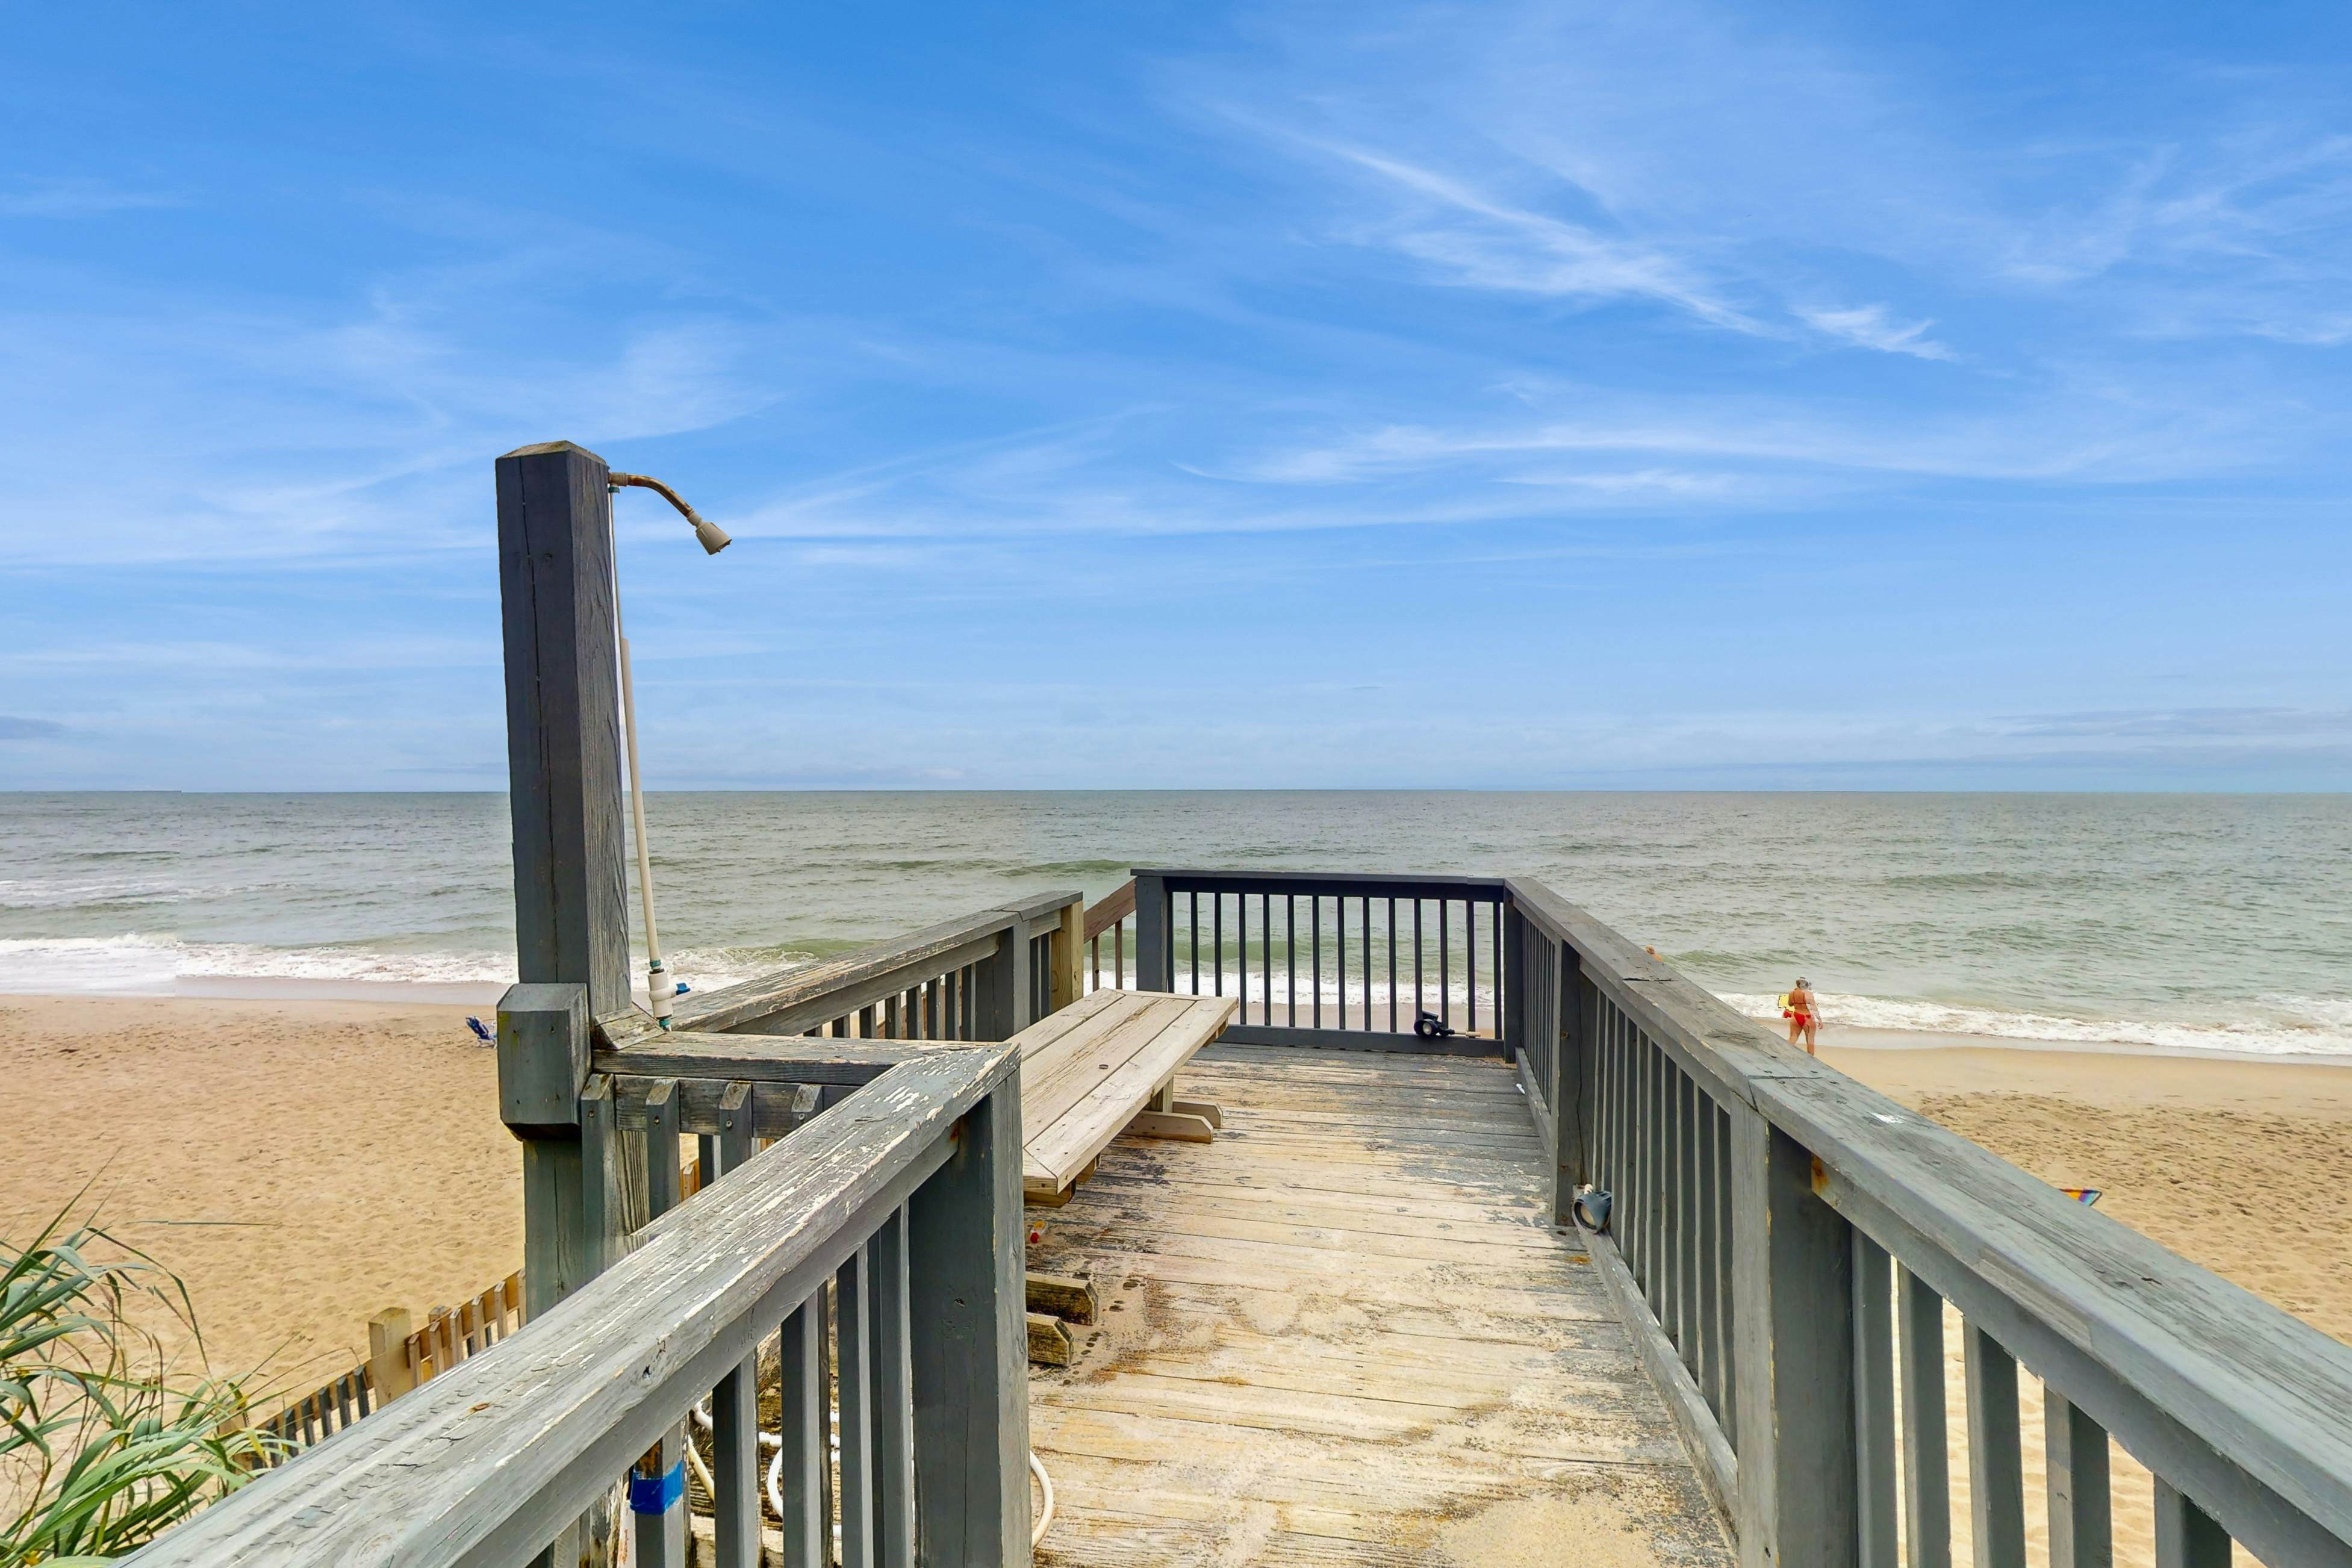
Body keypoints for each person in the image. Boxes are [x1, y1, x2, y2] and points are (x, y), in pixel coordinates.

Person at [1785, 977, 1820, 1054]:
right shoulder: (1808, 994)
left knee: (1792, 1038)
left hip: (1796, 1016)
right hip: (1807, 1018)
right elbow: (1814, 1008)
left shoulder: (1792, 993)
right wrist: (1820, 1020)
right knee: (1810, 1041)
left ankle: (1784, 1054)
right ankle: (1811, 1061)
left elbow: (1790, 1004)